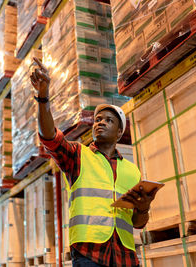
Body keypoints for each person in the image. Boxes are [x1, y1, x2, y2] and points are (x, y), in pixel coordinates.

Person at [30, 57, 158, 267]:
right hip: (89, 253)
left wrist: (144, 208)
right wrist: (43, 97)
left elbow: (137, 223)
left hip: (125, 255)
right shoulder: (78, 155)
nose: (101, 123)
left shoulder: (131, 170)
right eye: (98, 120)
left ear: (119, 133)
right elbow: (50, 138)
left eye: (108, 121)